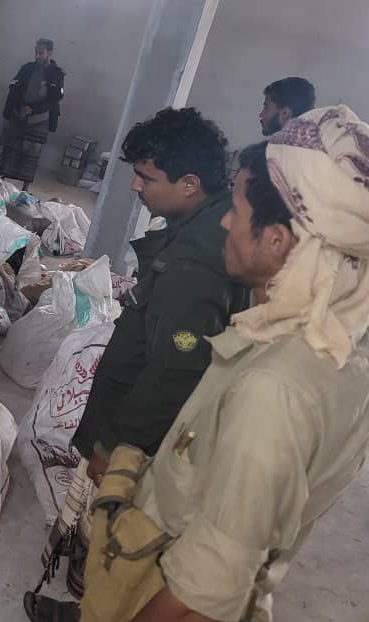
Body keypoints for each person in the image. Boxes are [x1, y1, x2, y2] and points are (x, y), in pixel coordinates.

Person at [82, 106, 369, 622]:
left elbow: (206, 593)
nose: (224, 222)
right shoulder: (340, 342)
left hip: (169, 573)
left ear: (277, 239)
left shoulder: (274, 387)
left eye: (235, 210)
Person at [25, 107, 250, 622]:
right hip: (148, 427)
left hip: (146, 439)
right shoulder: (201, 226)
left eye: (146, 177)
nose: (134, 186)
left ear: (189, 183)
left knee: (123, 541)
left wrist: (116, 447)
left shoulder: (195, 262)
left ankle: (98, 611)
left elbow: (175, 371)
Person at [0, 38, 65, 191]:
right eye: (36, 52)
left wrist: (33, 109)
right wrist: (20, 106)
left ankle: (25, 188)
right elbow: (14, 87)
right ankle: (1, 182)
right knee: (10, 148)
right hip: (19, 113)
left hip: (40, 118)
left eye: (41, 53)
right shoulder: (27, 68)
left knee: (31, 153)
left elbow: (55, 98)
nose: (37, 56)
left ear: (49, 53)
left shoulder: (57, 74)